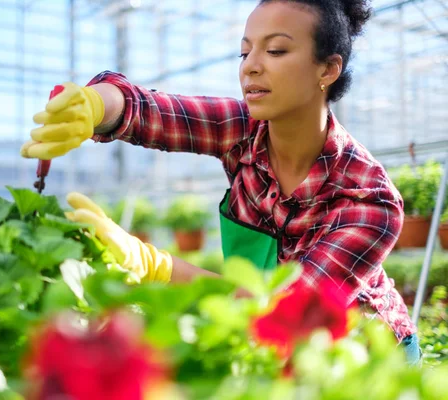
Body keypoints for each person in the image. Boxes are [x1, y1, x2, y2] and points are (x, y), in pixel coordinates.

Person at [21, 0, 422, 364]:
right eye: (245, 51)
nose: (250, 65)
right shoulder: (243, 131)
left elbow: (286, 311)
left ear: (328, 69)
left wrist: (155, 266)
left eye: (276, 50)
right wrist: (94, 106)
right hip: (268, 339)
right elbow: (151, 111)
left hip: (364, 356)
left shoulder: (370, 199)